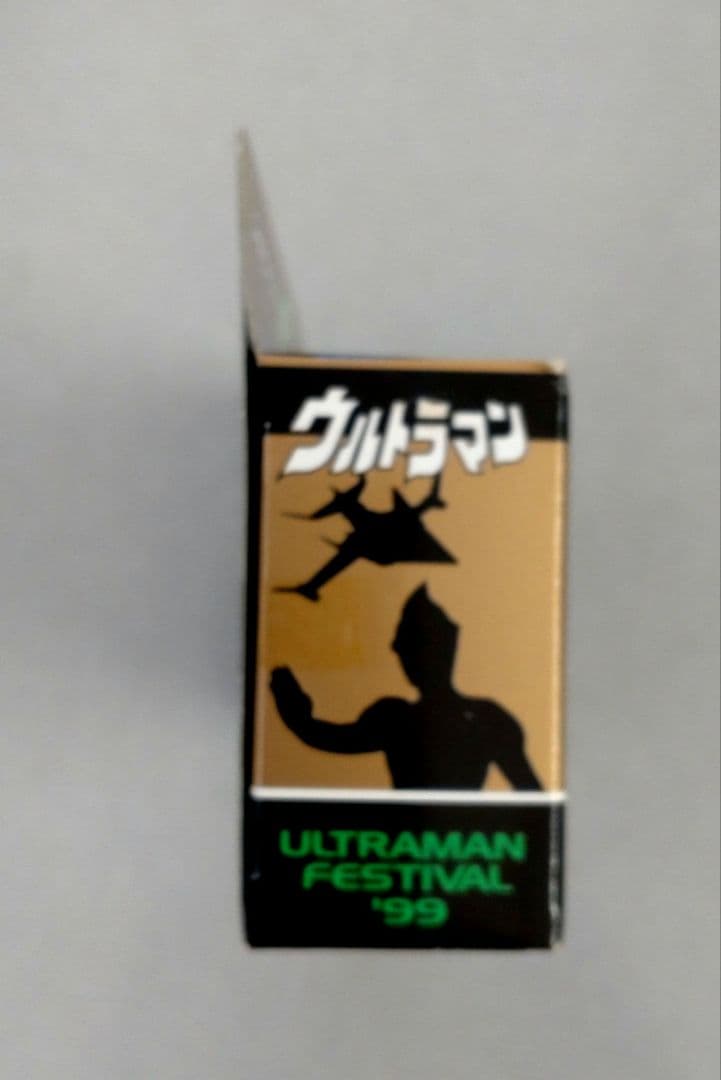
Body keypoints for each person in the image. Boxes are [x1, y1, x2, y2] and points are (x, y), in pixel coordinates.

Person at [270, 585, 542, 791]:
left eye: (405, 639)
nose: (395, 648)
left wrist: (293, 707)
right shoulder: (398, 716)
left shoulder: (480, 719)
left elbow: (532, 801)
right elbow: (321, 735)